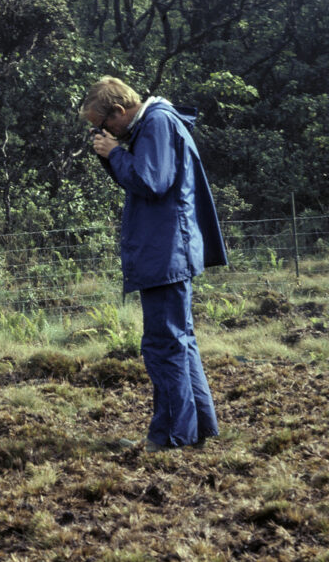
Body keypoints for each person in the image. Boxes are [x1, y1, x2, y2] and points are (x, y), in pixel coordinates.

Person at [80, 76, 227, 452]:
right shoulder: (156, 124)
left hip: (166, 254)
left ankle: (171, 438)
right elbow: (145, 181)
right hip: (167, 251)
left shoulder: (157, 123)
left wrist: (114, 153)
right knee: (180, 343)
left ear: (118, 111)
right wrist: (113, 156)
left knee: (163, 346)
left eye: (102, 124)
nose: (103, 131)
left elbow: (152, 182)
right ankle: (200, 430)